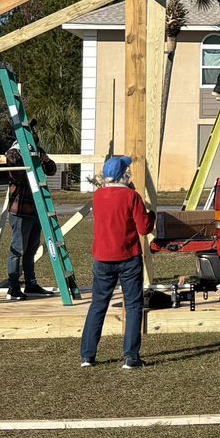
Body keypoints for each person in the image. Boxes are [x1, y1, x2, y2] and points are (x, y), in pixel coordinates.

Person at [81, 154, 153, 370]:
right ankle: (130, 357)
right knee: (133, 305)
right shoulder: (132, 197)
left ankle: (87, 355)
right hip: (128, 257)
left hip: (102, 257)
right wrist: (152, 216)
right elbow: (144, 228)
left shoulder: (98, 196)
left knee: (98, 304)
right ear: (125, 175)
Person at [2, 145, 55, 300]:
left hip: (36, 208)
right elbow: (18, 174)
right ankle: (13, 288)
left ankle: (31, 284)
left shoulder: (37, 149)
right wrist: (32, 158)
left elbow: (51, 170)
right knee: (17, 250)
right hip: (20, 210)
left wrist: (45, 159)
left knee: (31, 249)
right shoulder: (12, 153)